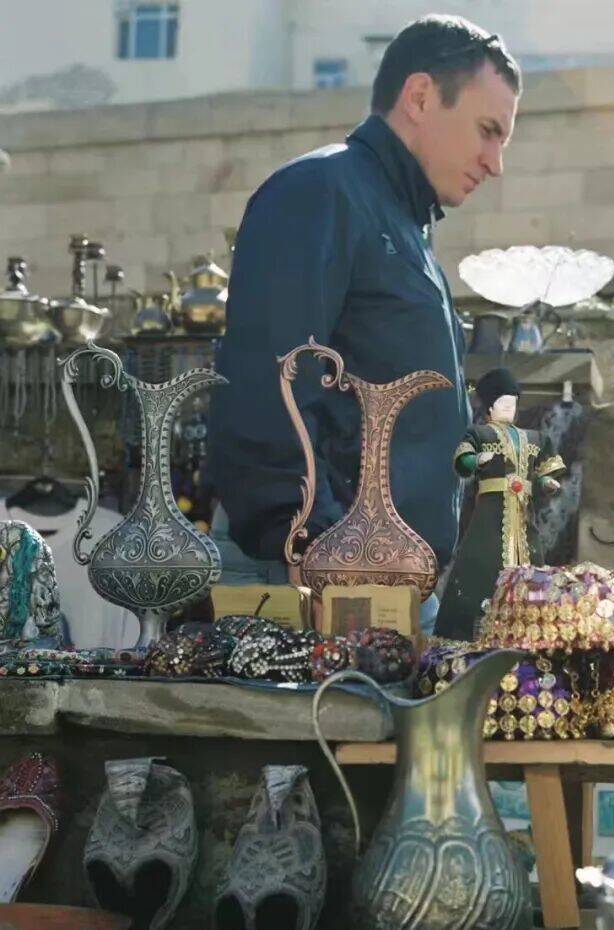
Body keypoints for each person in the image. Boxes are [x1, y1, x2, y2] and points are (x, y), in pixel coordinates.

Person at [206, 16, 521, 633]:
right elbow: (268, 389)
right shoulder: (319, 191)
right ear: (420, 96)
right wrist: (319, 553)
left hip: (380, 582)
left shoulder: (402, 222)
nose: (496, 163)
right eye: (488, 131)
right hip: (319, 580)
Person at [435, 369, 565, 640]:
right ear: (490, 407)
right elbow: (463, 460)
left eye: (512, 404)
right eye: (503, 403)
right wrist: (475, 460)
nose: (508, 408)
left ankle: (530, 629)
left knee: (533, 568)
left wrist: (546, 483)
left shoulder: (534, 439)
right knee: (481, 563)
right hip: (490, 514)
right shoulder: (480, 434)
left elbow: (541, 473)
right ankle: (473, 630)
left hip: (524, 516)